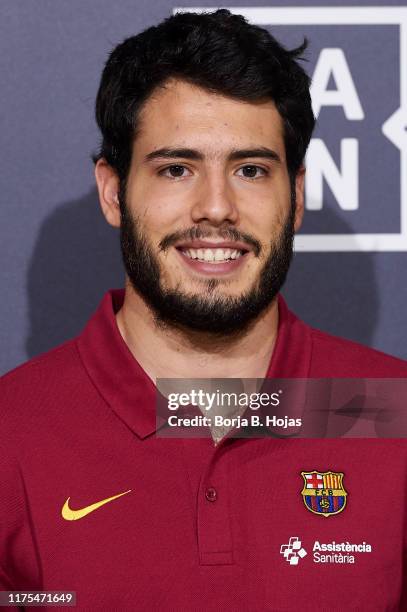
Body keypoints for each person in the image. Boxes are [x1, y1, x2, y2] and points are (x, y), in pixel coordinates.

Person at [1, 9, 406, 610]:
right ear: (114, 191)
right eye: (176, 168)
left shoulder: (391, 409)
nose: (216, 207)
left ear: (295, 197)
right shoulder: (12, 428)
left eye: (249, 169)